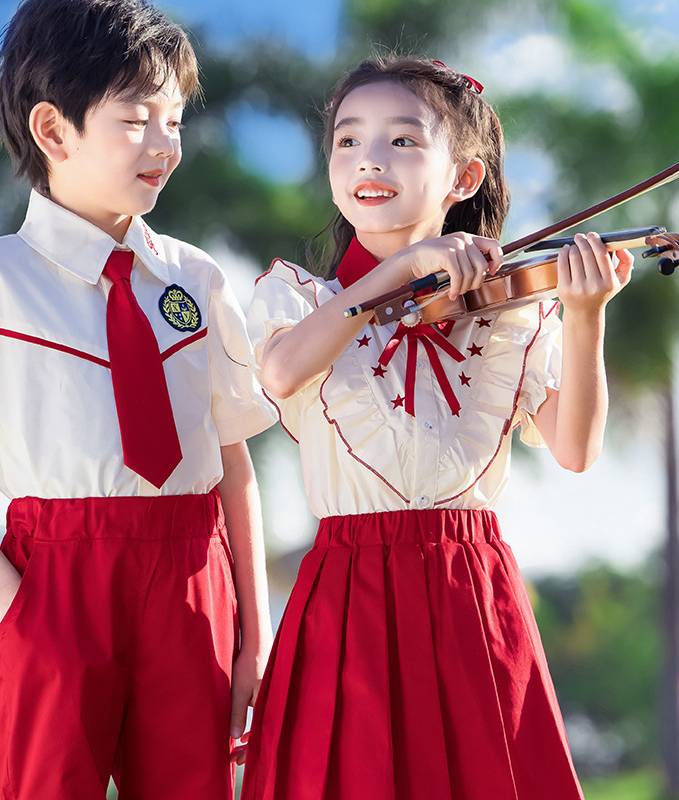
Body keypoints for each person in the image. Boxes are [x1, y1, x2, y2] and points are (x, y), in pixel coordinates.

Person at [0, 1, 276, 798]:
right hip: (57, 579)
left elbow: (233, 460)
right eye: (137, 120)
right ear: (55, 132)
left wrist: (252, 636)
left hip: (192, 573)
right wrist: (14, 605)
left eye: (174, 119)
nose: (166, 144)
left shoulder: (196, 279)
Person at [241, 56, 632, 799]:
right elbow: (282, 372)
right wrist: (394, 273)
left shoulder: (514, 308)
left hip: (470, 590)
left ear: (464, 178)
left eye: (403, 141)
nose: (369, 160)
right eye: (348, 141)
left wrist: (585, 319)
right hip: (346, 590)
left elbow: (576, 449)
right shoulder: (300, 300)